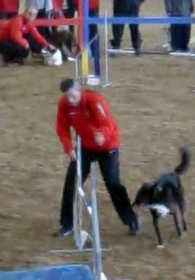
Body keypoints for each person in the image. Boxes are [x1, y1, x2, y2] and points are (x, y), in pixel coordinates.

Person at [55, 78, 140, 238]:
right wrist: (69, 147)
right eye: (68, 97)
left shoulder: (95, 100)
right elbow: (62, 127)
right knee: (71, 182)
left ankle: (131, 220)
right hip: (85, 148)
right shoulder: (64, 104)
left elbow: (106, 123)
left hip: (107, 148)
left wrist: (102, 136)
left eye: (73, 96)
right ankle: (67, 224)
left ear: (79, 90)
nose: (71, 101)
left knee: (113, 183)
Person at [71, 0, 106, 76]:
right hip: (81, 4)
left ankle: (94, 50)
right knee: (82, 29)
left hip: (94, 5)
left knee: (93, 29)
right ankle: (82, 50)